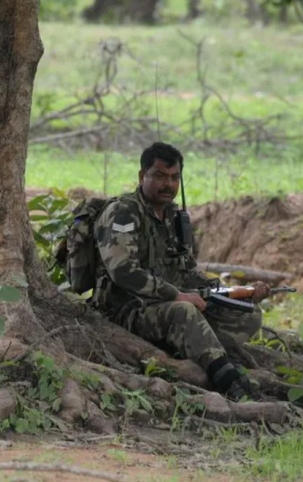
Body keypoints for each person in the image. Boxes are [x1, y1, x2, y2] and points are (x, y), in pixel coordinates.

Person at [92, 142, 268, 401]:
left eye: (175, 178)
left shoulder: (173, 217)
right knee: (184, 312)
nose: (169, 185)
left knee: (249, 315)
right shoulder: (123, 213)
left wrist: (229, 292)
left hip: (168, 306)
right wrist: (177, 295)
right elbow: (123, 272)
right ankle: (227, 380)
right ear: (143, 177)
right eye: (160, 176)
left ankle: (196, 345)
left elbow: (187, 269)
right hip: (127, 311)